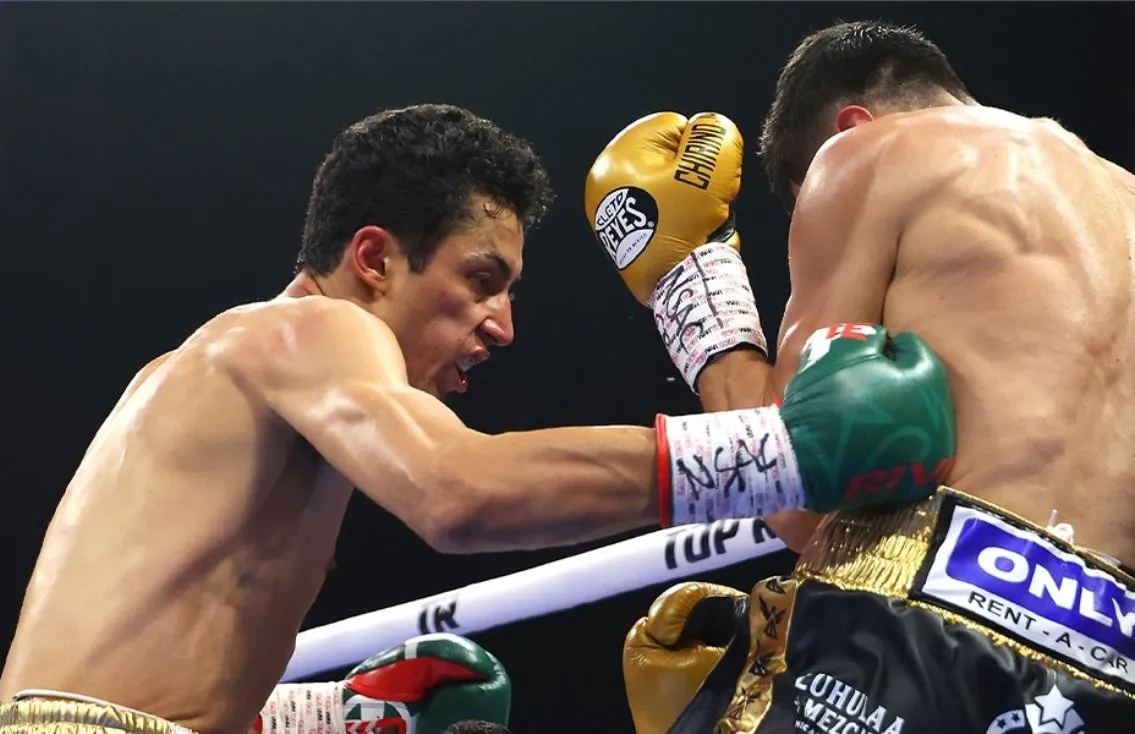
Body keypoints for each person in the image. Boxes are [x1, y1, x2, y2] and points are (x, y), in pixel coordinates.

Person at [0, 101, 954, 734]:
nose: (502, 325)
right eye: (481, 280)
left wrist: (339, 713)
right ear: (375, 259)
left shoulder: (243, 382)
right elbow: (459, 494)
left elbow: (141, 679)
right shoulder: (310, 331)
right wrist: (779, 451)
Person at [583, 19, 1135, 734]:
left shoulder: (869, 152)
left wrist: (691, 279)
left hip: (916, 627)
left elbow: (795, 487)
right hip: (1127, 684)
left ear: (850, 125)